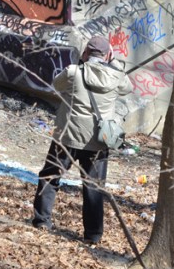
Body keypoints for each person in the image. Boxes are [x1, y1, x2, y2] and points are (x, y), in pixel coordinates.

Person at [32, 35, 133, 244]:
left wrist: (81, 62)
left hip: (67, 137)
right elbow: (128, 87)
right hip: (98, 141)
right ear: (107, 55)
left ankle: (42, 221)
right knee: (94, 186)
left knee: (50, 176)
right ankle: (93, 235)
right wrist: (113, 62)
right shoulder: (117, 78)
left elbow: (56, 85)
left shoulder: (73, 72)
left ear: (86, 52)